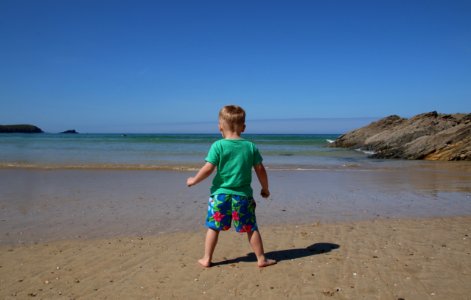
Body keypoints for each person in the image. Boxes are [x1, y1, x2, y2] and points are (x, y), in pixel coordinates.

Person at [187, 105, 277, 268]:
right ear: (243, 127)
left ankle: (207, 258)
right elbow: (260, 170)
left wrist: (194, 180)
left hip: (220, 196)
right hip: (243, 197)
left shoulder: (218, 146)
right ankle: (261, 259)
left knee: (213, 228)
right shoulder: (250, 146)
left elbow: (208, 168)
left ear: (220, 126)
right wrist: (265, 188)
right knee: (251, 228)